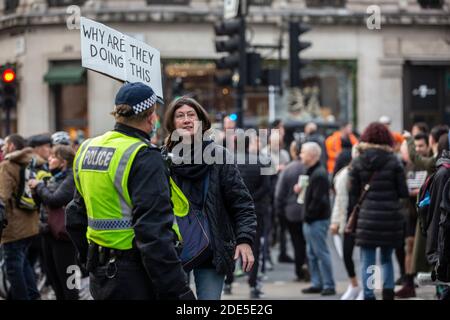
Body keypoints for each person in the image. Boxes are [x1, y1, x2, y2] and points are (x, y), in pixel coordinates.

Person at [66, 82, 195, 300]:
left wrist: (88, 258)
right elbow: (153, 233)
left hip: (101, 271)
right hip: (135, 274)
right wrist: (178, 292)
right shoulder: (143, 156)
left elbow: (75, 215)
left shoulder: (87, 148)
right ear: (151, 116)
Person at [163, 96, 256, 300]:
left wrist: (245, 240)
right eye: (180, 116)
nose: (186, 120)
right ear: (172, 123)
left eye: (191, 115)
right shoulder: (162, 159)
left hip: (212, 250)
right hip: (174, 249)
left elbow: (241, 202)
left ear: (201, 122)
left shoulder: (219, 156)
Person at [349, 122, 409, 300]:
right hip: (390, 218)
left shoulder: (358, 161)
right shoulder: (394, 161)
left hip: (367, 218)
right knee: (386, 257)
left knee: (367, 260)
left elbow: (353, 194)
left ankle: (369, 294)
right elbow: (403, 192)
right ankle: (388, 292)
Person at [28, 144, 78, 300]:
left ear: (63, 162)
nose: (49, 159)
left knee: (68, 281)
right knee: (54, 278)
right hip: (48, 233)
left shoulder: (71, 178)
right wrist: (36, 191)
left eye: (53, 156)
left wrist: (40, 186)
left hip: (64, 237)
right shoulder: (52, 177)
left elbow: (55, 200)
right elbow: (43, 203)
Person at [0, 134, 41, 300]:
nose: (2, 149)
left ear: (11, 147)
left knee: (13, 268)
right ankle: (33, 295)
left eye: (5, 145)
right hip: (30, 224)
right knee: (23, 265)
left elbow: (3, 195)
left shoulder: (7, 166)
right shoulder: (30, 162)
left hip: (14, 227)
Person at [294, 142, 336, 296]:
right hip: (311, 219)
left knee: (320, 252)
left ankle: (328, 284)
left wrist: (309, 215)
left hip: (316, 220)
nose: (300, 155)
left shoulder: (319, 174)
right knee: (312, 253)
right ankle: (317, 283)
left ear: (312, 155)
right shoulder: (312, 172)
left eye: (303, 152)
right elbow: (308, 197)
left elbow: (319, 200)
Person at [330, 145, 361, 300]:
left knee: (366, 256)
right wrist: (335, 221)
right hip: (349, 219)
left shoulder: (364, 172)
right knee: (347, 254)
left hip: (363, 218)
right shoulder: (345, 175)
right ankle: (354, 285)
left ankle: (364, 289)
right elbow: (340, 201)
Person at [275, 140, 309, 282]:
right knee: (308, 242)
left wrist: (279, 212)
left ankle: (299, 270)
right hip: (308, 211)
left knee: (296, 243)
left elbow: (279, 194)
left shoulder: (288, 169)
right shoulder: (309, 168)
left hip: (291, 212)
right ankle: (308, 267)